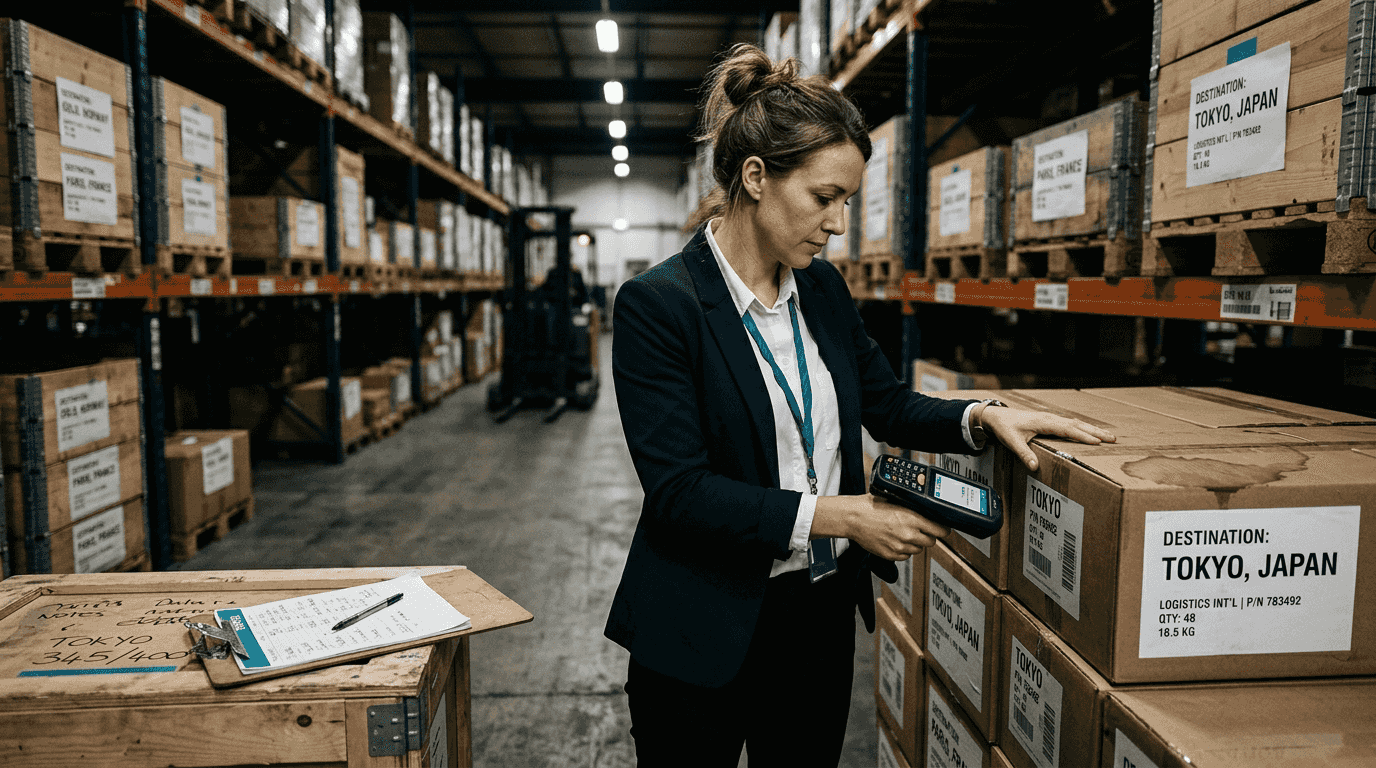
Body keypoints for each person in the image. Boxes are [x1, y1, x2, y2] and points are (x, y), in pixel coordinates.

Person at [606, 44, 1115, 767]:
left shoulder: (821, 290)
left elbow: (888, 404)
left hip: (813, 619)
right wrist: (849, 517)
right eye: (824, 197)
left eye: (848, 201)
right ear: (755, 177)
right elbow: (681, 493)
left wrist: (980, 416)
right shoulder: (660, 306)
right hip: (701, 625)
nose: (839, 223)